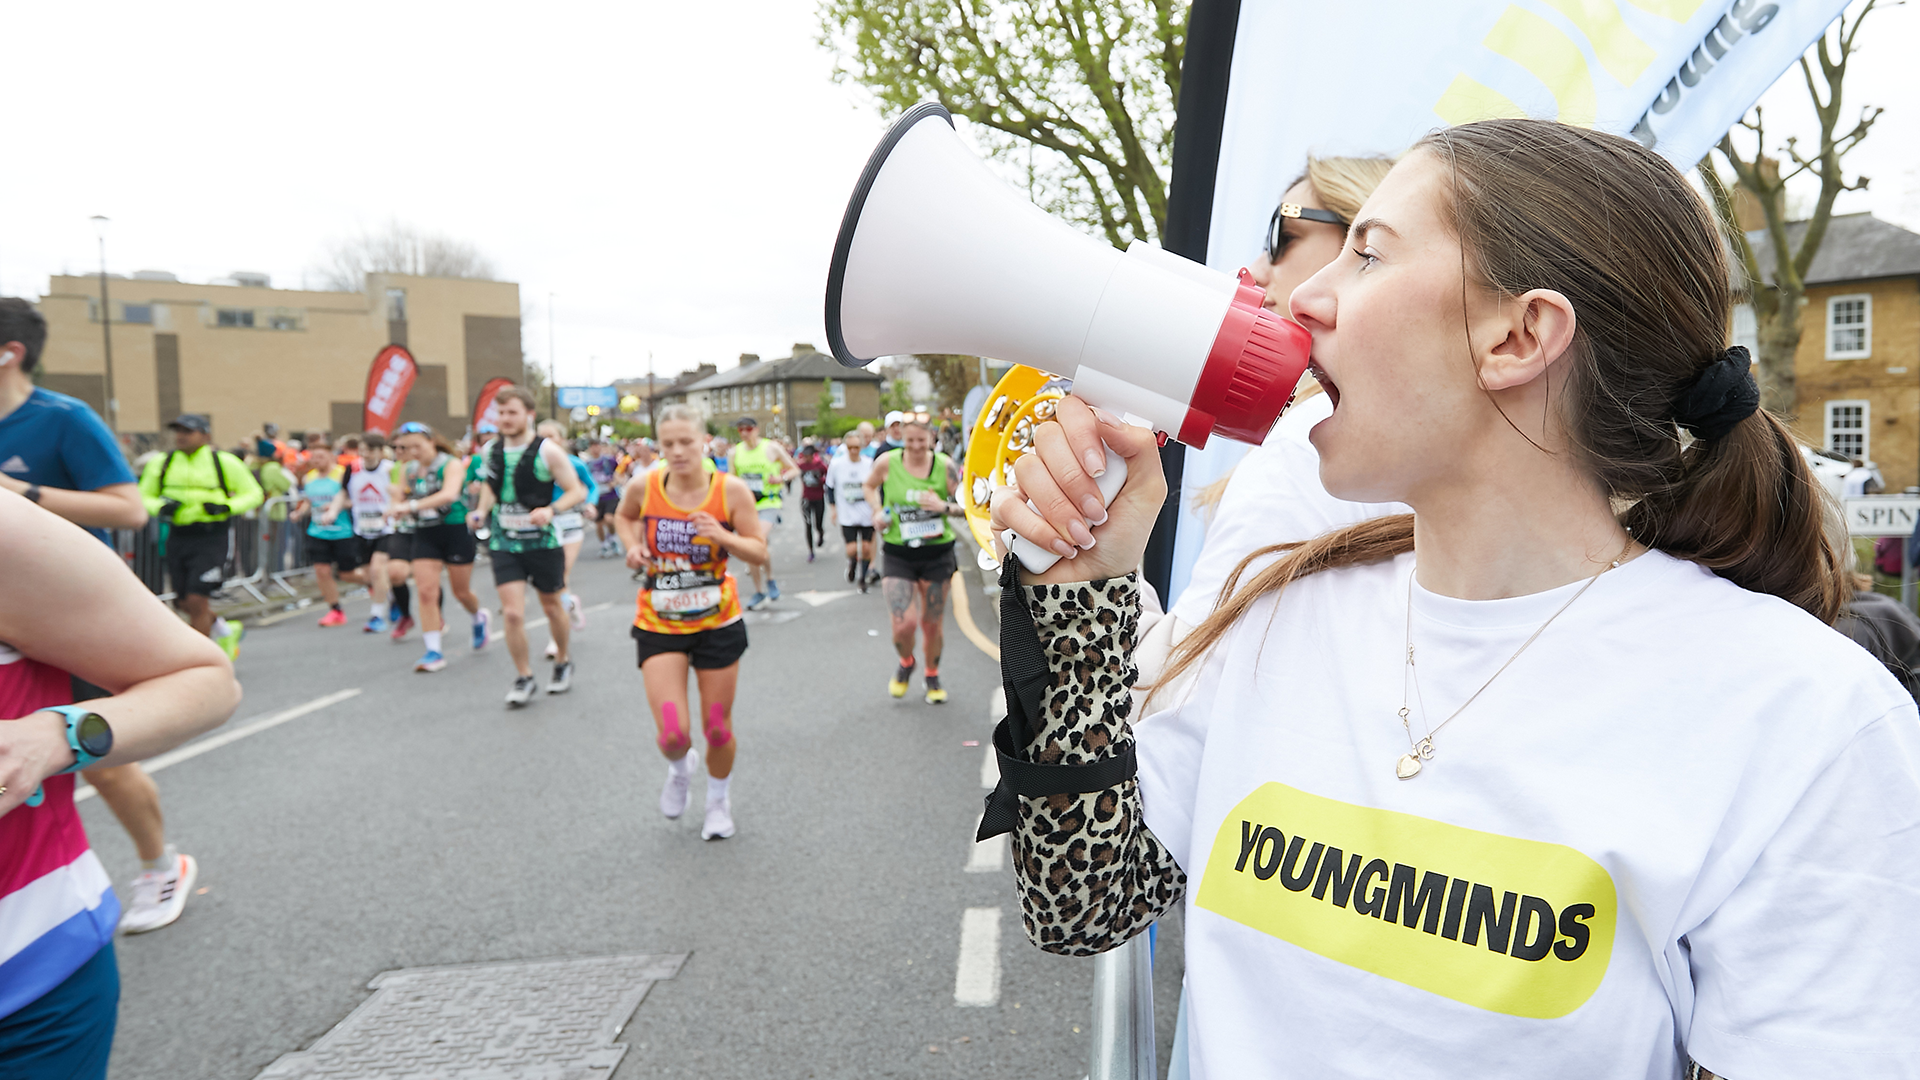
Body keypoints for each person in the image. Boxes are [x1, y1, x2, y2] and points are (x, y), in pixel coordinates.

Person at [986, 119, 1920, 1077]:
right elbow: (1084, 901)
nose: (1303, 297)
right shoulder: (1276, 612)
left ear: (1519, 336)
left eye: (1367, 254)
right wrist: (1081, 596)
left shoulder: (1811, 722)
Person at [0, 487, 241, 1079]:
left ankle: (159, 864)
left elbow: (206, 678)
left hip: (27, 968)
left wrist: (53, 736)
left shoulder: (50, 442)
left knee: (109, 770)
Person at [0, 299, 203, 937]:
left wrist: (24, 494)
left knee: (97, 757)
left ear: (10, 352)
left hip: (69, 619)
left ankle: (160, 866)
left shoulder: (63, 419)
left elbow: (128, 510)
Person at [614, 404, 765, 840]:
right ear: (658, 446)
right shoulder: (645, 485)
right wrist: (631, 545)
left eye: (686, 442)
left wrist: (723, 537)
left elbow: (759, 552)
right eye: (668, 444)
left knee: (717, 727)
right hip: (659, 623)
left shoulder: (730, 491)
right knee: (673, 734)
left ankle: (718, 800)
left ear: (704, 441)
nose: (678, 452)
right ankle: (681, 768)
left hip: (717, 622)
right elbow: (624, 517)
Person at [470, 387, 588, 705]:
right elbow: (491, 488)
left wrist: (551, 510)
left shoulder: (548, 451)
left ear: (528, 415)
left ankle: (563, 660)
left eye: (512, 413)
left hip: (542, 542)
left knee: (552, 606)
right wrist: (481, 511)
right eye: (501, 413)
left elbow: (575, 491)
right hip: (504, 542)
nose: (506, 419)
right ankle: (524, 677)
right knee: (511, 614)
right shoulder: (491, 450)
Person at [138, 415, 263, 646]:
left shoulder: (223, 461)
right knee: (183, 602)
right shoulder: (162, 462)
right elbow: (144, 495)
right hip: (178, 536)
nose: (181, 436)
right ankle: (225, 630)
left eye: (189, 431)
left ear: (206, 436)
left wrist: (226, 507)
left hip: (212, 536)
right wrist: (161, 507)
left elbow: (254, 493)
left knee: (197, 599)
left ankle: (203, 659)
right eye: (178, 431)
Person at [864, 418, 962, 703]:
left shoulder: (945, 466)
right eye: (910, 441)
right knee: (902, 624)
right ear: (902, 439)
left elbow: (969, 504)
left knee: (932, 623)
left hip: (937, 553)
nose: (916, 447)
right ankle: (907, 662)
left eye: (922, 441)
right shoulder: (886, 462)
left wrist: (942, 507)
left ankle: (932, 675)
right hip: (899, 553)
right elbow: (869, 486)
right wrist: (877, 510)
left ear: (931, 439)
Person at [392, 423, 486, 672]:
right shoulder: (408, 469)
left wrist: (410, 507)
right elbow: (401, 496)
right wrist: (394, 506)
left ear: (431, 441)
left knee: (461, 592)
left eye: (417, 446)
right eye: (407, 448)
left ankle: (478, 617)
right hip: (425, 532)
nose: (413, 452)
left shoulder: (450, 464)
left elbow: (449, 494)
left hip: (455, 530)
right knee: (426, 591)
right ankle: (433, 650)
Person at [535, 420, 599, 643]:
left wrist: (591, 503)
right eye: (541, 437)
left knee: (560, 574)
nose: (546, 441)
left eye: (550, 436)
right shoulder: (533, 465)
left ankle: (557, 637)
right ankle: (569, 604)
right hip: (544, 524)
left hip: (569, 519)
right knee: (552, 579)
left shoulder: (573, 463)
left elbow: (591, 486)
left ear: (561, 439)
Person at [292, 441, 366, 628]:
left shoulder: (342, 474)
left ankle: (374, 583)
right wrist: (300, 512)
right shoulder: (309, 477)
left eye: (321, 457)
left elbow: (354, 500)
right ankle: (335, 610)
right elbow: (309, 501)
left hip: (343, 531)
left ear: (332, 457)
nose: (317, 461)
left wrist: (336, 506)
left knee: (347, 574)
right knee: (322, 571)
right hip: (318, 531)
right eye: (313, 458)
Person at [727, 416, 797, 609]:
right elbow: (731, 480)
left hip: (769, 502)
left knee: (758, 540)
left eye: (748, 429)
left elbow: (793, 470)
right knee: (754, 548)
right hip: (746, 505)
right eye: (740, 430)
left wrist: (780, 479)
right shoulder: (735, 452)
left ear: (756, 429)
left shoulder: (771, 448)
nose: (744, 433)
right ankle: (760, 589)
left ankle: (770, 580)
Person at [341, 432, 408, 634]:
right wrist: (336, 508)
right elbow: (343, 494)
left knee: (379, 570)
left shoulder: (390, 470)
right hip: (362, 529)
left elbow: (402, 493)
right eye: (362, 450)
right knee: (370, 574)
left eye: (370, 450)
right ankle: (392, 598)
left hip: (386, 528)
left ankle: (377, 615)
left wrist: (395, 501)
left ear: (380, 451)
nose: (366, 454)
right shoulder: (352, 469)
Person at [826, 430, 876, 592]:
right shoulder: (837, 464)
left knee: (867, 548)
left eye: (856, 447)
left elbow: (876, 487)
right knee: (852, 549)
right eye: (850, 447)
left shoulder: (869, 464)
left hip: (866, 513)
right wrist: (833, 509)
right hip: (847, 513)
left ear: (861, 446)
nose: (854, 450)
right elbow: (830, 487)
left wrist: (877, 508)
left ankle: (863, 579)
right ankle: (852, 564)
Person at [795, 438, 829, 562]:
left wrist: (820, 480)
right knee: (808, 525)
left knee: (817, 524)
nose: (807, 458)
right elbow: (792, 471)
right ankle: (811, 551)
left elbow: (828, 476)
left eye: (809, 456)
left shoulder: (819, 465)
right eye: (805, 456)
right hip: (806, 499)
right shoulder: (801, 465)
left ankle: (821, 533)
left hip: (819, 498)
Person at [590, 440, 624, 557]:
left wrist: (615, 482)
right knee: (599, 523)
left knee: (609, 519)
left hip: (610, 495)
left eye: (597, 445)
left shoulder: (608, 460)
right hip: (596, 496)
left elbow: (619, 473)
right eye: (592, 446)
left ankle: (612, 537)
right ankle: (604, 545)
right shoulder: (587, 463)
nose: (595, 448)